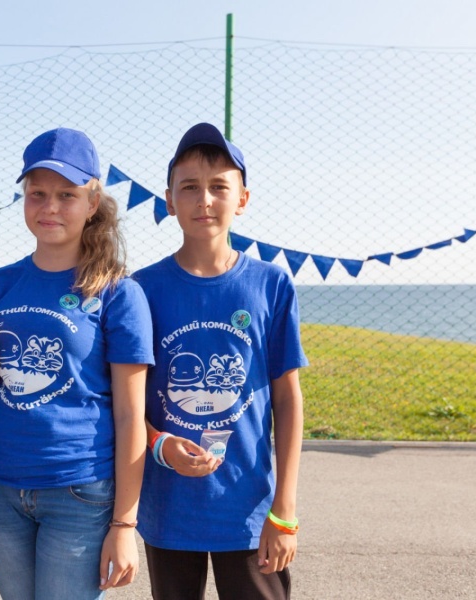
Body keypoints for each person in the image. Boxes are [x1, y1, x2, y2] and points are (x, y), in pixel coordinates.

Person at [0, 127, 154, 600]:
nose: (50, 207)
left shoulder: (117, 293)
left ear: (92, 203)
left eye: (66, 195)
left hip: (80, 491)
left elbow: (131, 415)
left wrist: (124, 524)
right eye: (38, 194)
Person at [134, 122, 308, 600]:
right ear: (169, 201)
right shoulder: (141, 289)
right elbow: (125, 403)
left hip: (249, 509)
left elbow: (287, 399)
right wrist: (159, 443)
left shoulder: (271, 284)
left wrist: (284, 510)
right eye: (189, 187)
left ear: (243, 199)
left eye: (219, 187)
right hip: (169, 510)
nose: (204, 200)